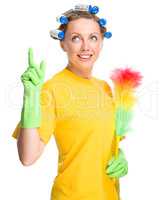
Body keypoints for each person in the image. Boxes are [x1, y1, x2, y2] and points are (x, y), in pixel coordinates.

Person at [12, 4, 128, 200]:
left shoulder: (105, 87)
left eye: (93, 37)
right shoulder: (53, 88)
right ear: (63, 43)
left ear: (101, 42)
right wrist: (31, 96)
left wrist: (120, 156)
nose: (85, 47)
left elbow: (102, 141)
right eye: (76, 38)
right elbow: (28, 156)